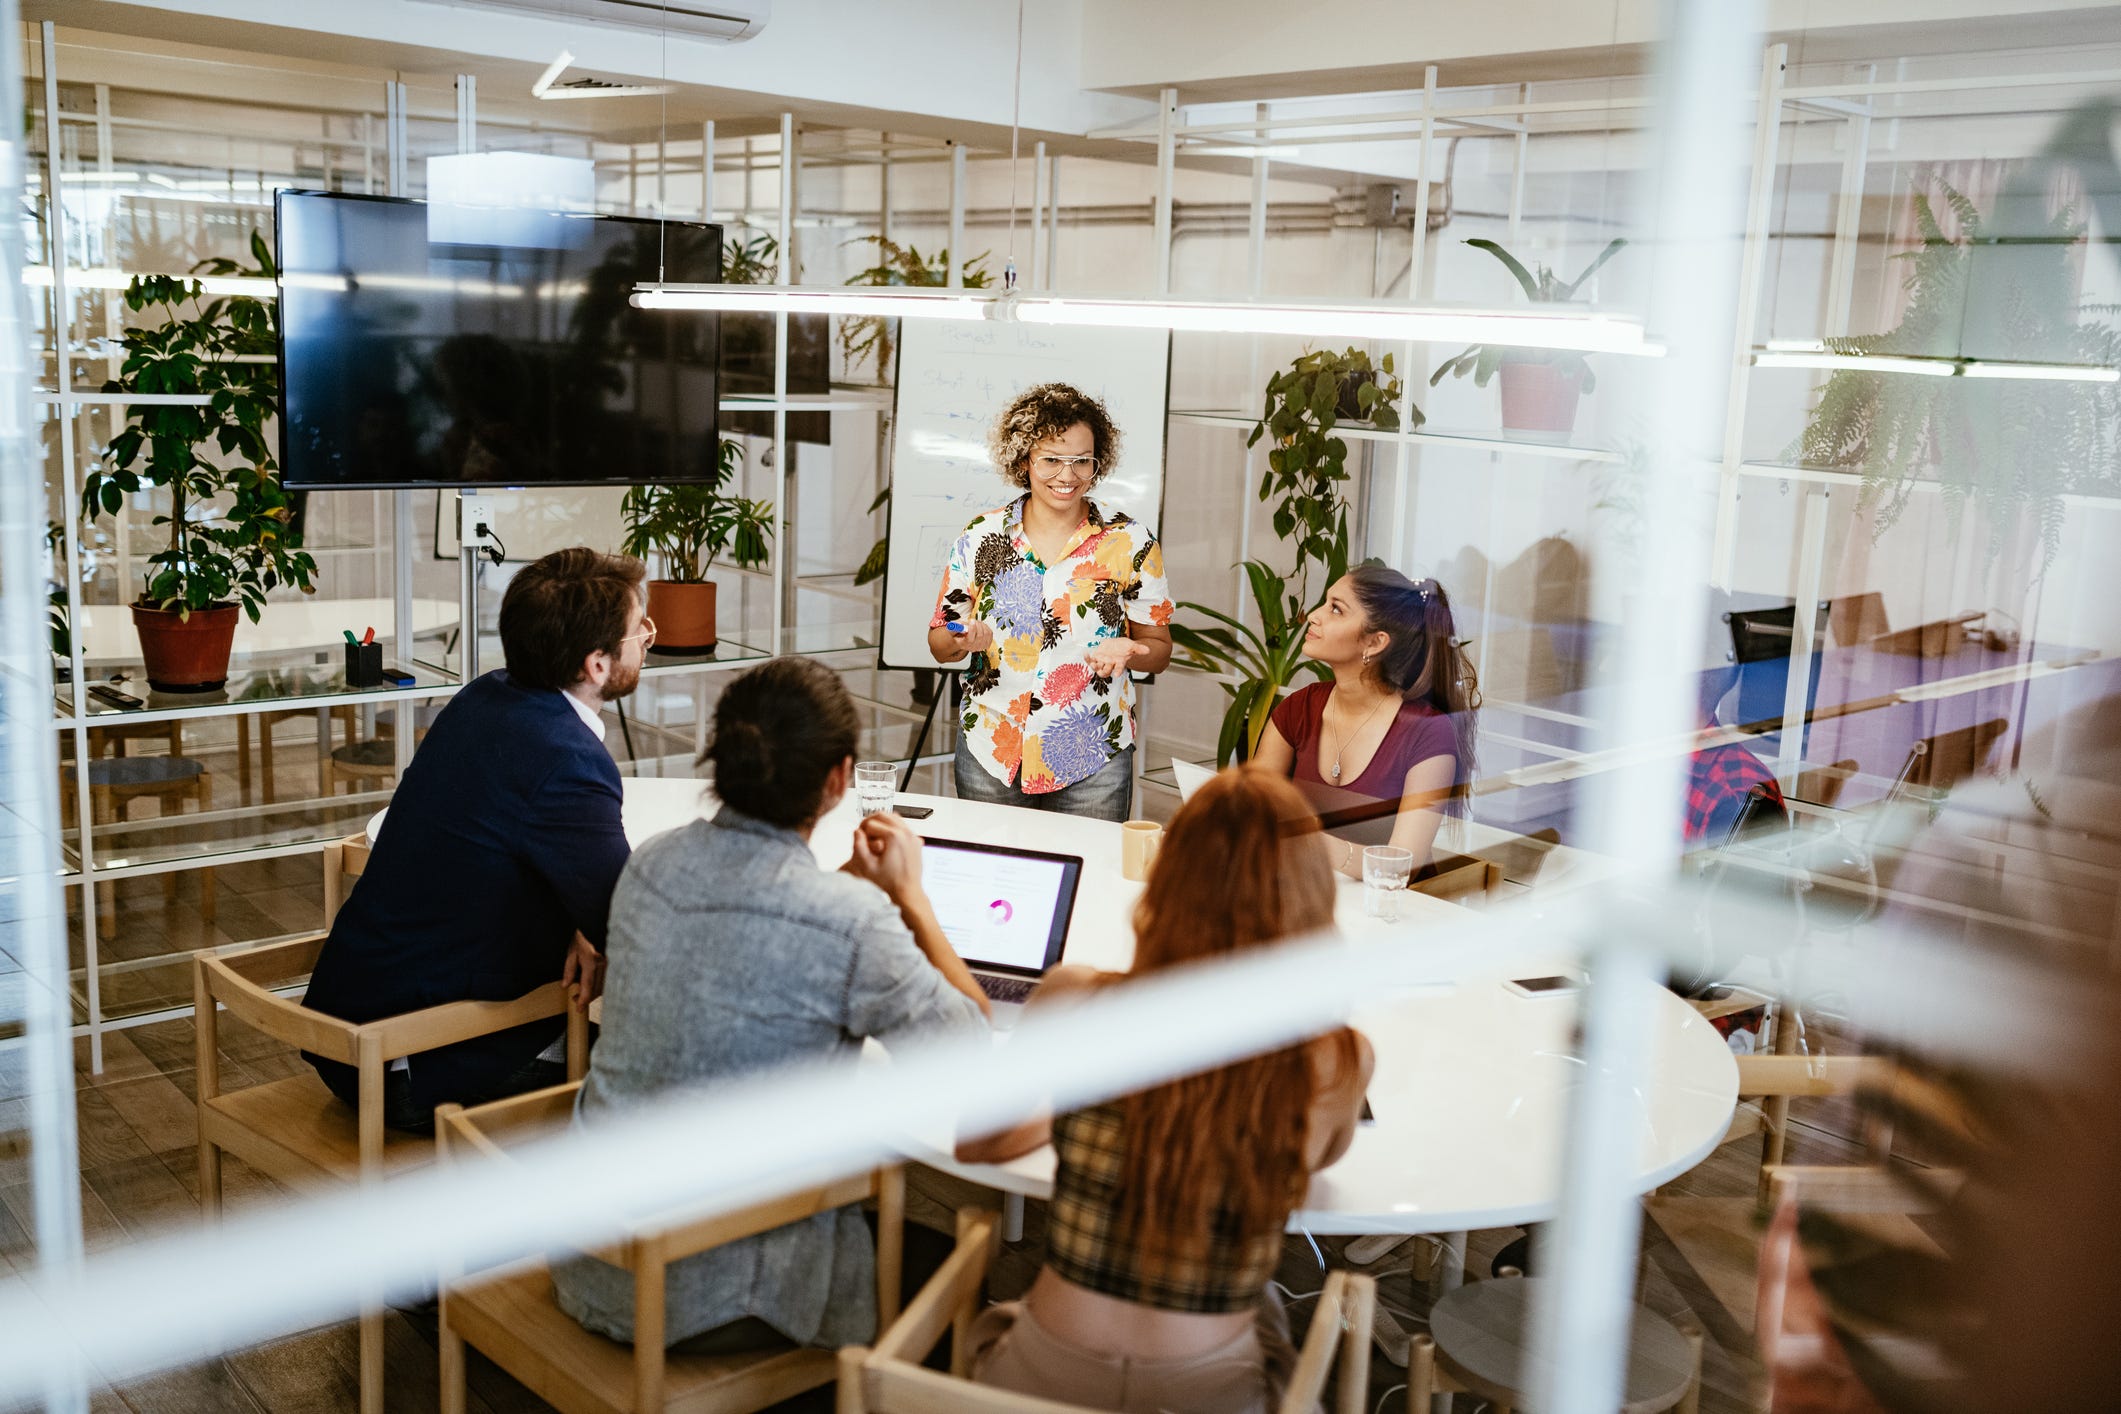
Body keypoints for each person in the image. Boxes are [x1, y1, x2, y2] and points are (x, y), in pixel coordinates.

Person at [552, 656, 990, 1353]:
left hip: (592, 1254)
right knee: (968, 1267)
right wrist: (911, 898)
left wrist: (853, 886)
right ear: (839, 779)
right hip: (708, 1289)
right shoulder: (847, 921)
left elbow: (754, 924)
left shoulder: (652, 863)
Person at [955, 769, 1373, 1414]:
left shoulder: (1074, 997)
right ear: (1310, 897)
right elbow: (1310, 1164)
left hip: (1041, 1378)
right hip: (1210, 1390)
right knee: (1272, 1322)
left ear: (1168, 878)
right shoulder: (1331, 1057)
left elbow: (977, 1143)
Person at [302, 547, 652, 1131]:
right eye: (639, 629)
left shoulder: (485, 695)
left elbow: (513, 855)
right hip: (413, 1062)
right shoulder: (567, 759)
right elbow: (633, 924)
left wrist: (582, 922)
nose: (646, 637)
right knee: (664, 1073)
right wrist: (595, 922)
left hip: (349, 1031)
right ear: (596, 664)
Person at [928, 382, 1174, 823]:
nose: (1068, 475)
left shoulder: (1129, 541)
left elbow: (1159, 648)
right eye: (1052, 460)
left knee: (1088, 880)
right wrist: (962, 638)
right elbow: (939, 643)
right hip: (992, 745)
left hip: (1094, 749)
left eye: (1083, 460)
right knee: (994, 881)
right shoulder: (982, 536)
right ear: (1024, 461)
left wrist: (1135, 652)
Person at [1249, 566, 1479, 877]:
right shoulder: (1298, 709)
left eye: (1335, 609)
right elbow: (1251, 809)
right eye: (1325, 602)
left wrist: (1302, 840)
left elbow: (1401, 864)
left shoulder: (1428, 733)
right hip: (1305, 895)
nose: (1314, 615)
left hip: (1389, 912)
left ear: (1374, 643)